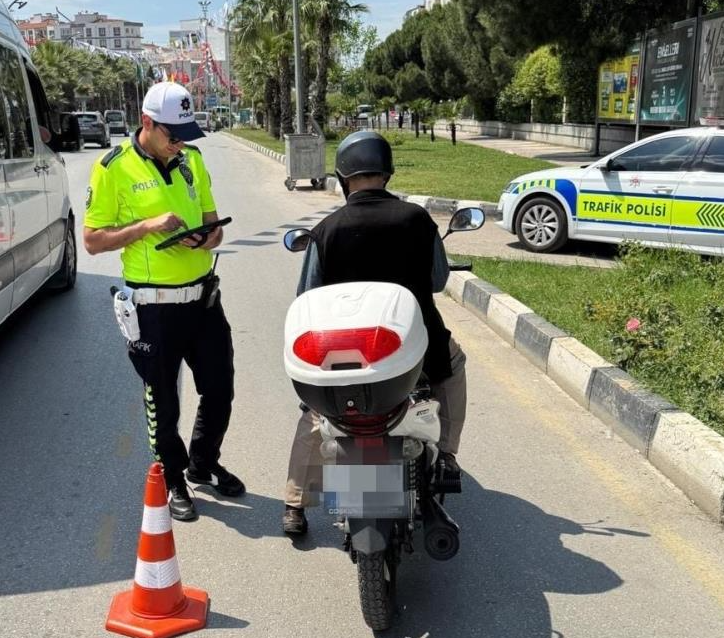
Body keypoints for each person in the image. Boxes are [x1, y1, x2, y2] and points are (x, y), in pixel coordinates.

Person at [282, 131, 468, 535]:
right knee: (451, 368)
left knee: (317, 410)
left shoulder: (327, 229)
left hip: (343, 350)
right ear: (386, 172)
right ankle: (448, 455)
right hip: (409, 345)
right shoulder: (417, 219)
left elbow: (307, 295)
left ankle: (295, 503)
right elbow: (437, 281)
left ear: (343, 176)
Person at [84, 82, 245, 522]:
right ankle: (173, 477)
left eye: (185, 135)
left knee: (220, 388)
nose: (180, 143)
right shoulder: (112, 167)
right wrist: (147, 225)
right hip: (154, 309)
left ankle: (202, 462)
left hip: (203, 300)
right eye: (172, 135)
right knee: (163, 399)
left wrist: (207, 238)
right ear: (147, 123)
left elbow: (215, 225)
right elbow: (93, 241)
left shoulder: (192, 159)